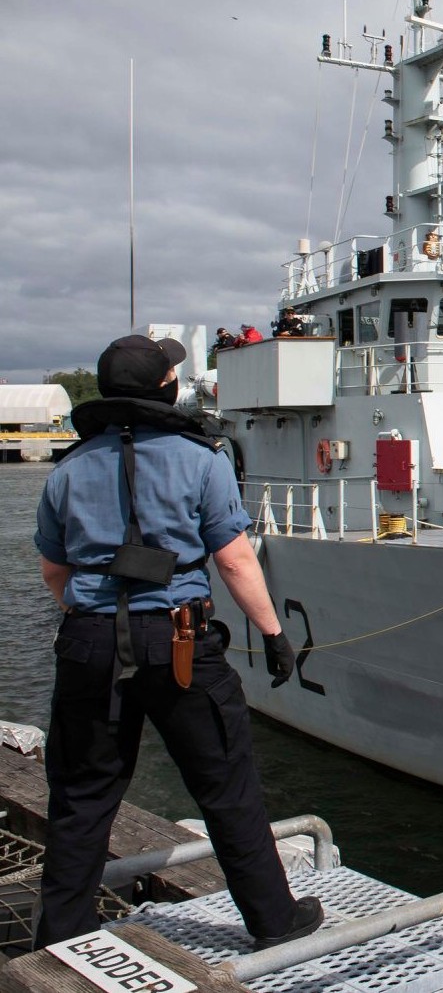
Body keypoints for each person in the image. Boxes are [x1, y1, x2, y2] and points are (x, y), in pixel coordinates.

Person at [31, 334, 322, 951]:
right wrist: (274, 634)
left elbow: (54, 571)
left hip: (88, 644)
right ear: (165, 387)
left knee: (82, 793)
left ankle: (58, 938)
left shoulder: (69, 468)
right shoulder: (203, 459)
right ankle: (274, 921)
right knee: (225, 784)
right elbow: (236, 559)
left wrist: (93, 620)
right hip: (179, 640)